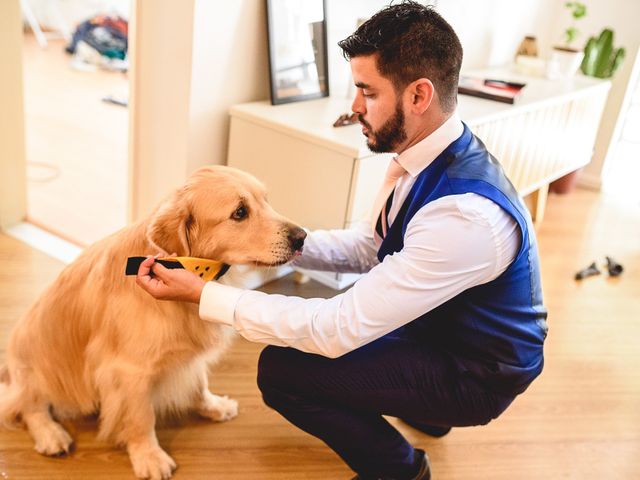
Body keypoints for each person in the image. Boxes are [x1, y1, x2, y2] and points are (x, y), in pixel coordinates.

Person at [136, 2, 548, 479]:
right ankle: (427, 414)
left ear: (419, 95)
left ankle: (400, 469)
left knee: (283, 372)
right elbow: (374, 249)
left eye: (367, 92)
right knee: (354, 315)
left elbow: (333, 331)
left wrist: (205, 294)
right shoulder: (423, 156)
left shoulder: (464, 216)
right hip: (440, 326)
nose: (354, 107)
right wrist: (282, 243)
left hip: (476, 374)